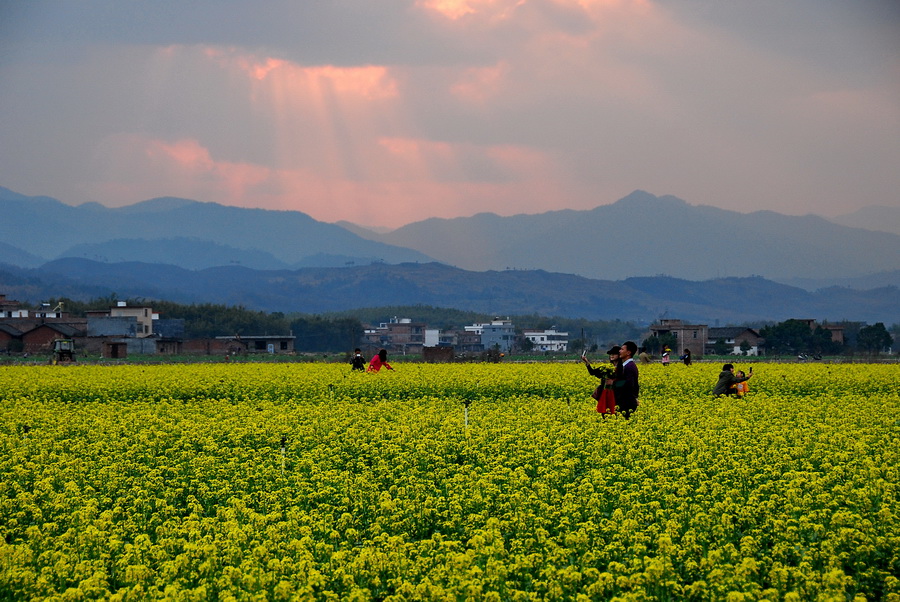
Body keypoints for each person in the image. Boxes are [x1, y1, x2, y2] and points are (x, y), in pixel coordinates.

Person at [583, 345, 620, 416]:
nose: (611, 355)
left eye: (614, 354)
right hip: (605, 393)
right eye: (611, 354)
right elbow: (593, 372)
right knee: (604, 413)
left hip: (616, 395)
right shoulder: (606, 367)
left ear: (619, 355)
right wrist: (586, 362)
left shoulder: (622, 368)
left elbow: (624, 381)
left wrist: (613, 382)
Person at [615, 341, 640, 419]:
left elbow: (628, 384)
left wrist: (613, 384)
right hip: (625, 401)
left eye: (622, 349)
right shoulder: (626, 365)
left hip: (626, 402)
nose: (619, 351)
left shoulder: (629, 367)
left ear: (628, 352)